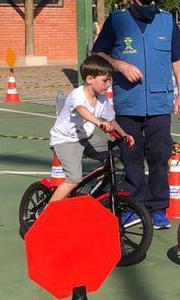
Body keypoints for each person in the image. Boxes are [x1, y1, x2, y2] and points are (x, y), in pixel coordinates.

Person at [91, 0, 180, 230]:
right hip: (128, 104)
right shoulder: (117, 21)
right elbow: (98, 53)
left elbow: (178, 59)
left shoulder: (167, 22)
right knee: (131, 158)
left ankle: (157, 210)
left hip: (159, 104)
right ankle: (134, 207)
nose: (151, 4)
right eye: (145, 0)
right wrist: (119, 64)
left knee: (159, 159)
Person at [48, 54, 133, 203]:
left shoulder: (101, 98)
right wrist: (99, 123)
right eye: (105, 80)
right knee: (74, 179)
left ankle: (97, 186)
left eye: (110, 80)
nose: (108, 85)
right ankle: (48, 212)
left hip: (85, 138)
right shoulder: (78, 95)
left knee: (117, 154)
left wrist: (124, 134)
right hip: (65, 140)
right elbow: (82, 110)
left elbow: (111, 120)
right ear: (89, 80)